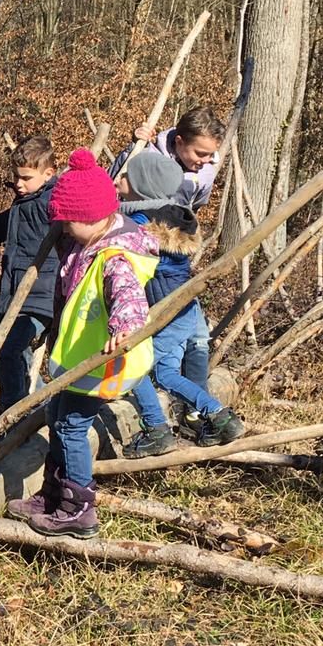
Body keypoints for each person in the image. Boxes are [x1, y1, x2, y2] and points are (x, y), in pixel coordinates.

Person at [6, 150, 164, 538]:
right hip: (78, 359)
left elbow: (127, 295)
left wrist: (124, 327)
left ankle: (79, 508)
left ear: (92, 219)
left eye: (67, 222)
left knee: (72, 428)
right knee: (59, 418)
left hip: (102, 361)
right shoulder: (86, 242)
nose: (62, 227)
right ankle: (52, 494)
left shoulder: (114, 255)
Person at [117, 150, 246, 447]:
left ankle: (156, 429)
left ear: (142, 185)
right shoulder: (174, 218)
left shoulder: (140, 223)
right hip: (185, 312)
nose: (120, 179)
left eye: (127, 176)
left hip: (166, 312)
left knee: (134, 365)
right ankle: (220, 416)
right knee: (164, 373)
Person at [0, 137, 59, 406]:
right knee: (22, 357)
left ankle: (13, 412)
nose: (18, 183)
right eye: (15, 177)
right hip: (18, 294)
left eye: (26, 178)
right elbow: (4, 224)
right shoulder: (25, 202)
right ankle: (40, 407)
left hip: (40, 296)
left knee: (9, 352)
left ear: (48, 174)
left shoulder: (53, 201)